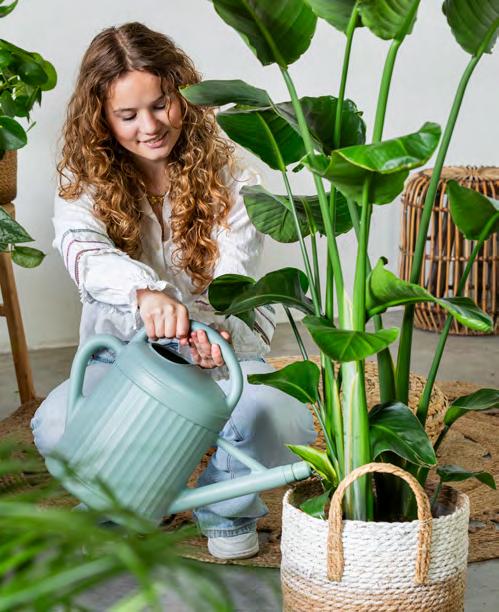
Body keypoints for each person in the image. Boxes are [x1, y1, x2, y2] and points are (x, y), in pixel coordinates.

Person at [30, 22, 316, 560]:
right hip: (124, 361)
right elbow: (83, 253)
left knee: (282, 417)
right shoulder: (83, 181)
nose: (150, 126)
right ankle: (128, 502)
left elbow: (233, 279)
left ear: (182, 94)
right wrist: (147, 293)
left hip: (221, 357)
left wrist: (210, 331)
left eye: (161, 104)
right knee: (55, 425)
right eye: (128, 115)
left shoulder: (235, 178)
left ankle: (226, 510)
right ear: (102, 117)